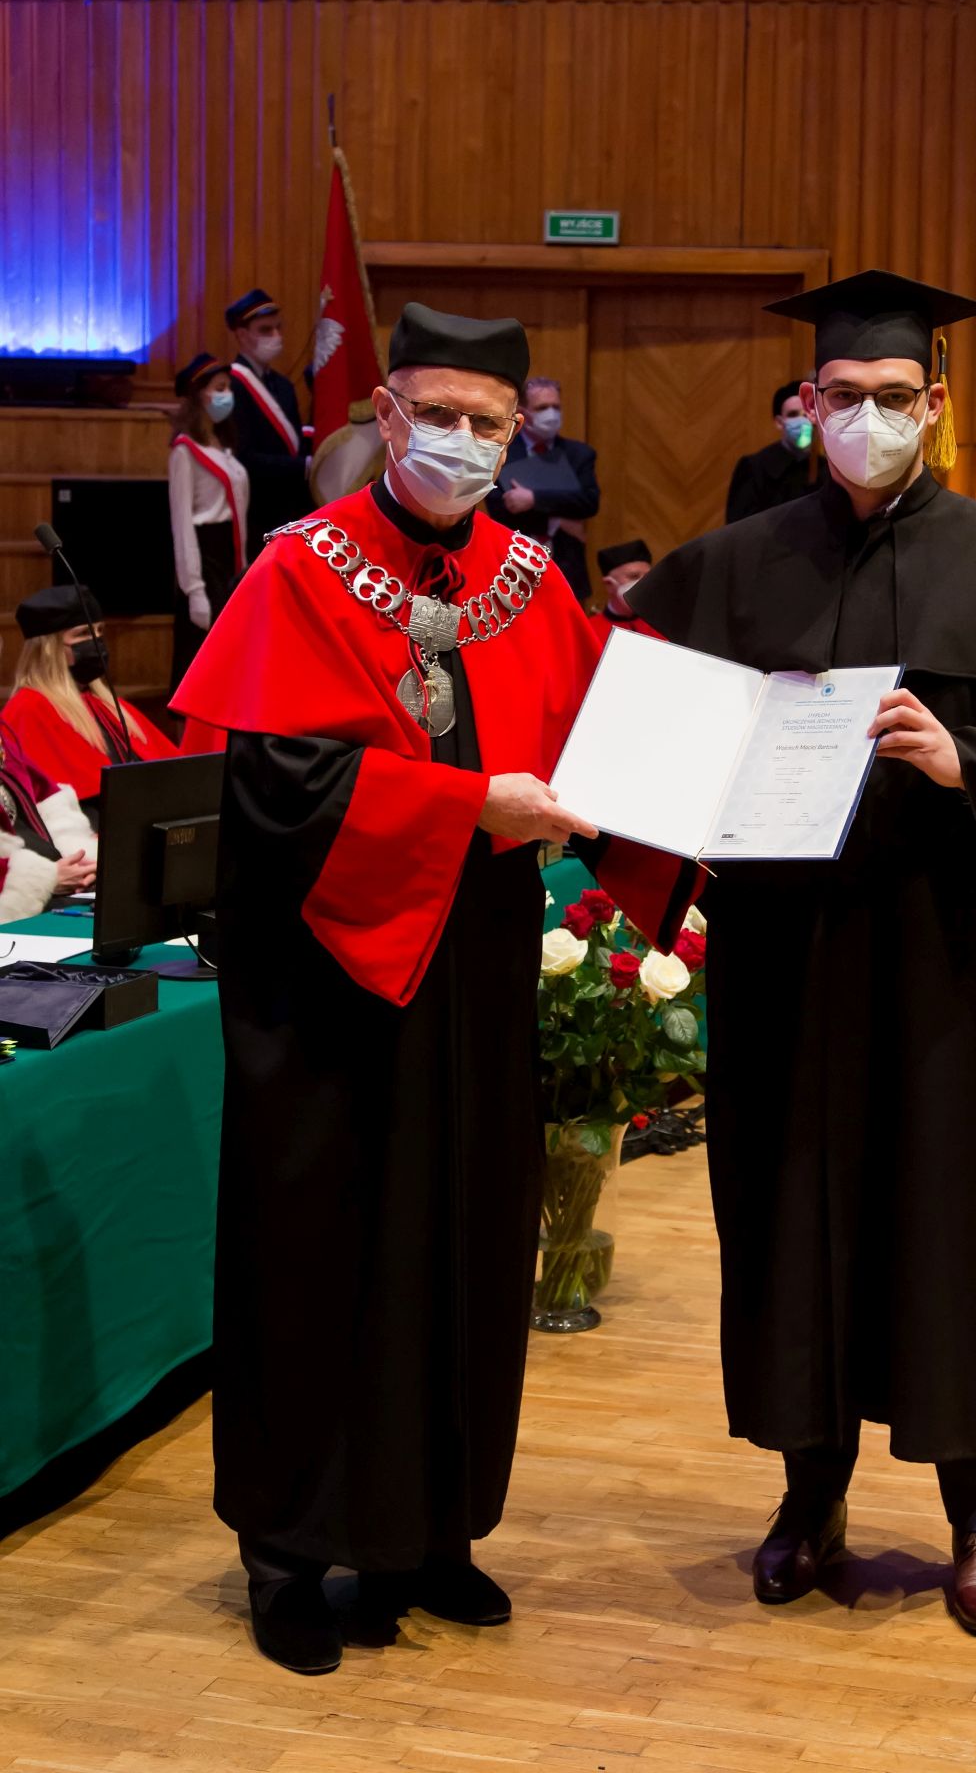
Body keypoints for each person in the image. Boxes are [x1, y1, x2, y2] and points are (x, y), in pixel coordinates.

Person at [171, 303, 693, 1678]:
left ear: (518, 433)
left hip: (473, 965)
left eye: (487, 422)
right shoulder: (297, 570)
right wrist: (465, 809)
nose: (460, 440)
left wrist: (719, 785)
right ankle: (289, 1552)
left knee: (464, 1235)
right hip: (328, 977)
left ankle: (429, 1534)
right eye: (437, 415)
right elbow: (271, 788)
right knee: (316, 1245)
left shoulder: (531, 574)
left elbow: (608, 738)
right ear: (387, 415)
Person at [628, 269, 976, 1637]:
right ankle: (809, 1496)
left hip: (948, 946)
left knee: (949, 1212)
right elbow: (656, 749)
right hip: (783, 948)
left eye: (893, 397)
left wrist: (967, 759)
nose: (866, 419)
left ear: (938, 403)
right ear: (808, 403)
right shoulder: (732, 565)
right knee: (786, 1208)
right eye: (843, 396)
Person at [3, 587, 177, 811]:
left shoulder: (109, 705)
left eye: (99, 630)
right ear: (49, 649)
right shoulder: (27, 709)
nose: (96, 640)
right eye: (83, 633)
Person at [169, 352, 250, 687]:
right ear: (198, 394)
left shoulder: (223, 446)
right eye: (219, 388)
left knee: (228, 659)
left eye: (228, 387)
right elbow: (182, 524)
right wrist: (194, 588)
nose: (226, 395)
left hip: (229, 555)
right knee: (198, 659)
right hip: (205, 557)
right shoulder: (184, 451)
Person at [485, 375, 600, 601]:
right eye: (542, 407)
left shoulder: (579, 454)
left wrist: (533, 499)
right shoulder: (501, 452)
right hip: (513, 564)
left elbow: (589, 502)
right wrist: (560, 519)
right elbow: (500, 509)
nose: (552, 413)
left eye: (556, 406)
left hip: (567, 565)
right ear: (523, 412)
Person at [226, 288, 311, 553]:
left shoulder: (284, 386)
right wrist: (302, 466)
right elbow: (243, 456)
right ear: (242, 335)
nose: (275, 336)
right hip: (257, 506)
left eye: (277, 328)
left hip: (290, 504)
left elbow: (295, 442)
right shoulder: (232, 385)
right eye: (265, 330)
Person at [0, 718, 97, 922]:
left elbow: (43, 798)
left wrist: (76, 861)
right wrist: (46, 878)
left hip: (49, 886)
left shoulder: (4, 740)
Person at [724, 380, 822, 525]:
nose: (802, 421)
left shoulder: (825, 468)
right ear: (779, 422)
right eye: (793, 414)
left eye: (806, 414)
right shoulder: (754, 468)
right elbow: (739, 527)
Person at [588, 540, 663, 646]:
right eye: (634, 576)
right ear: (609, 584)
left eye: (648, 576)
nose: (644, 583)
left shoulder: (665, 622)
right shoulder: (589, 631)